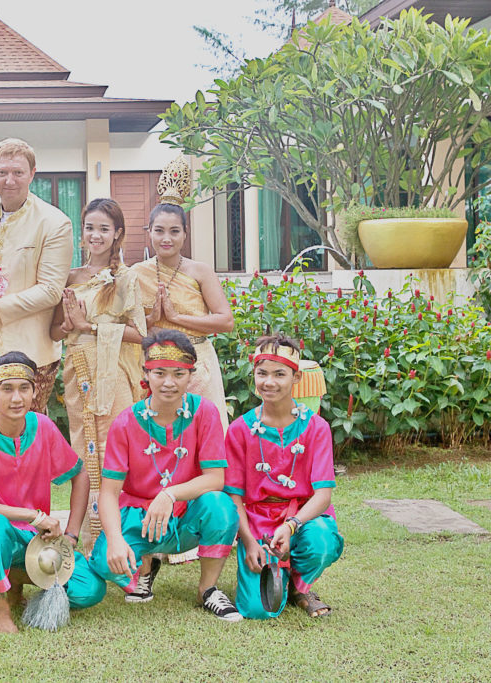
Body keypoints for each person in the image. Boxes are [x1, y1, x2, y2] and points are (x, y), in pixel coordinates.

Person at [89, 330, 242, 621]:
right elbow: (109, 492)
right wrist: (115, 539)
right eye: (159, 373)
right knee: (105, 562)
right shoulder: (125, 422)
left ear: (190, 376)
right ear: (146, 374)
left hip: (187, 515)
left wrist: (170, 494)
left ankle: (207, 589)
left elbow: (215, 478)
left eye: (178, 374)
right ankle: (145, 569)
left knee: (221, 506)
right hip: (138, 517)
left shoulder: (204, 413)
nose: (169, 383)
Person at [0, 351, 106, 633]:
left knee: (89, 589)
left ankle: (16, 578)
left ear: (35, 392)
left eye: (24, 388)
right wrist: (32, 516)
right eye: (6, 389)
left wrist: (71, 534)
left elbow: (80, 474)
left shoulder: (43, 427)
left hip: (34, 540)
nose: (16, 398)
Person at [223, 334, 344, 619]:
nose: (269, 382)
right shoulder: (240, 429)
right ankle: (276, 572)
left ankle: (300, 586)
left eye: (280, 374)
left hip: (303, 517)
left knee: (323, 540)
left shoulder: (316, 427)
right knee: (259, 610)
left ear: (296, 377)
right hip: (257, 522)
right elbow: (234, 496)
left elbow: (323, 495)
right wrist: (249, 541)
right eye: (262, 373)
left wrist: (290, 527)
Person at [49, 198, 145, 548]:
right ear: (81, 233)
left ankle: (123, 540)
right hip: (78, 372)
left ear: (117, 234)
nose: (96, 235)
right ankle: (90, 542)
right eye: (90, 227)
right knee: (84, 447)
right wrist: (69, 326)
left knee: (116, 449)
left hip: (113, 373)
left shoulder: (125, 278)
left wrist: (89, 327)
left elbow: (140, 333)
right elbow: (55, 332)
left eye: (104, 229)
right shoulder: (70, 278)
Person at [0, 138, 73, 420]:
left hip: (29, 342)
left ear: (33, 174)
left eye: (18, 173)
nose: (10, 181)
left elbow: (50, 290)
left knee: (24, 425)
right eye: (2, 173)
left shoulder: (54, 222)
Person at [131, 156, 234, 430]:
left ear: (185, 234)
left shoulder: (200, 271)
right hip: (154, 365)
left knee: (202, 433)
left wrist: (176, 317)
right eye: (159, 231)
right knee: (157, 435)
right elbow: (127, 326)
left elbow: (225, 321)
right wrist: (153, 318)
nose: (167, 238)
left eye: (174, 231)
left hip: (196, 364)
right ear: (149, 233)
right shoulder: (135, 273)